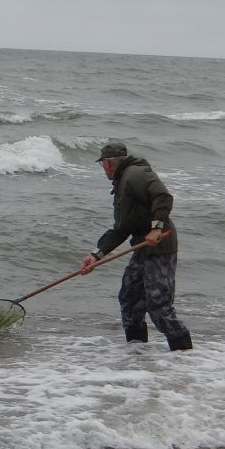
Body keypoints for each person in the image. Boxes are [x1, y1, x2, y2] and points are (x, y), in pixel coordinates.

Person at [79, 141, 193, 350]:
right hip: (141, 247)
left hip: (159, 247)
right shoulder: (122, 182)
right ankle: (137, 356)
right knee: (129, 301)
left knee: (159, 307)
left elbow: (163, 196)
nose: (103, 169)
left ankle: (184, 357)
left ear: (109, 163)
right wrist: (96, 255)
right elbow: (122, 228)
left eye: (102, 164)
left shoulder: (135, 174)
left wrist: (157, 228)